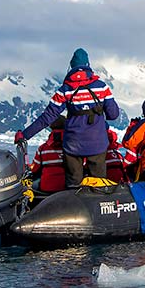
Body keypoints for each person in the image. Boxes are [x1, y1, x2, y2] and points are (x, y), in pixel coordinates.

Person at [15, 48, 121, 187]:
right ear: (88, 65)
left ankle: (72, 206)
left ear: (71, 67)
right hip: (97, 143)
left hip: (73, 144)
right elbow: (114, 115)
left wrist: (24, 135)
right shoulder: (101, 87)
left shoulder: (65, 90)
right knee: (100, 185)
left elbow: (47, 117)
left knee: (73, 185)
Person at [29, 116, 67, 192]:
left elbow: (34, 169)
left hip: (46, 188)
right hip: (66, 188)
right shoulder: (73, 147)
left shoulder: (42, 148)